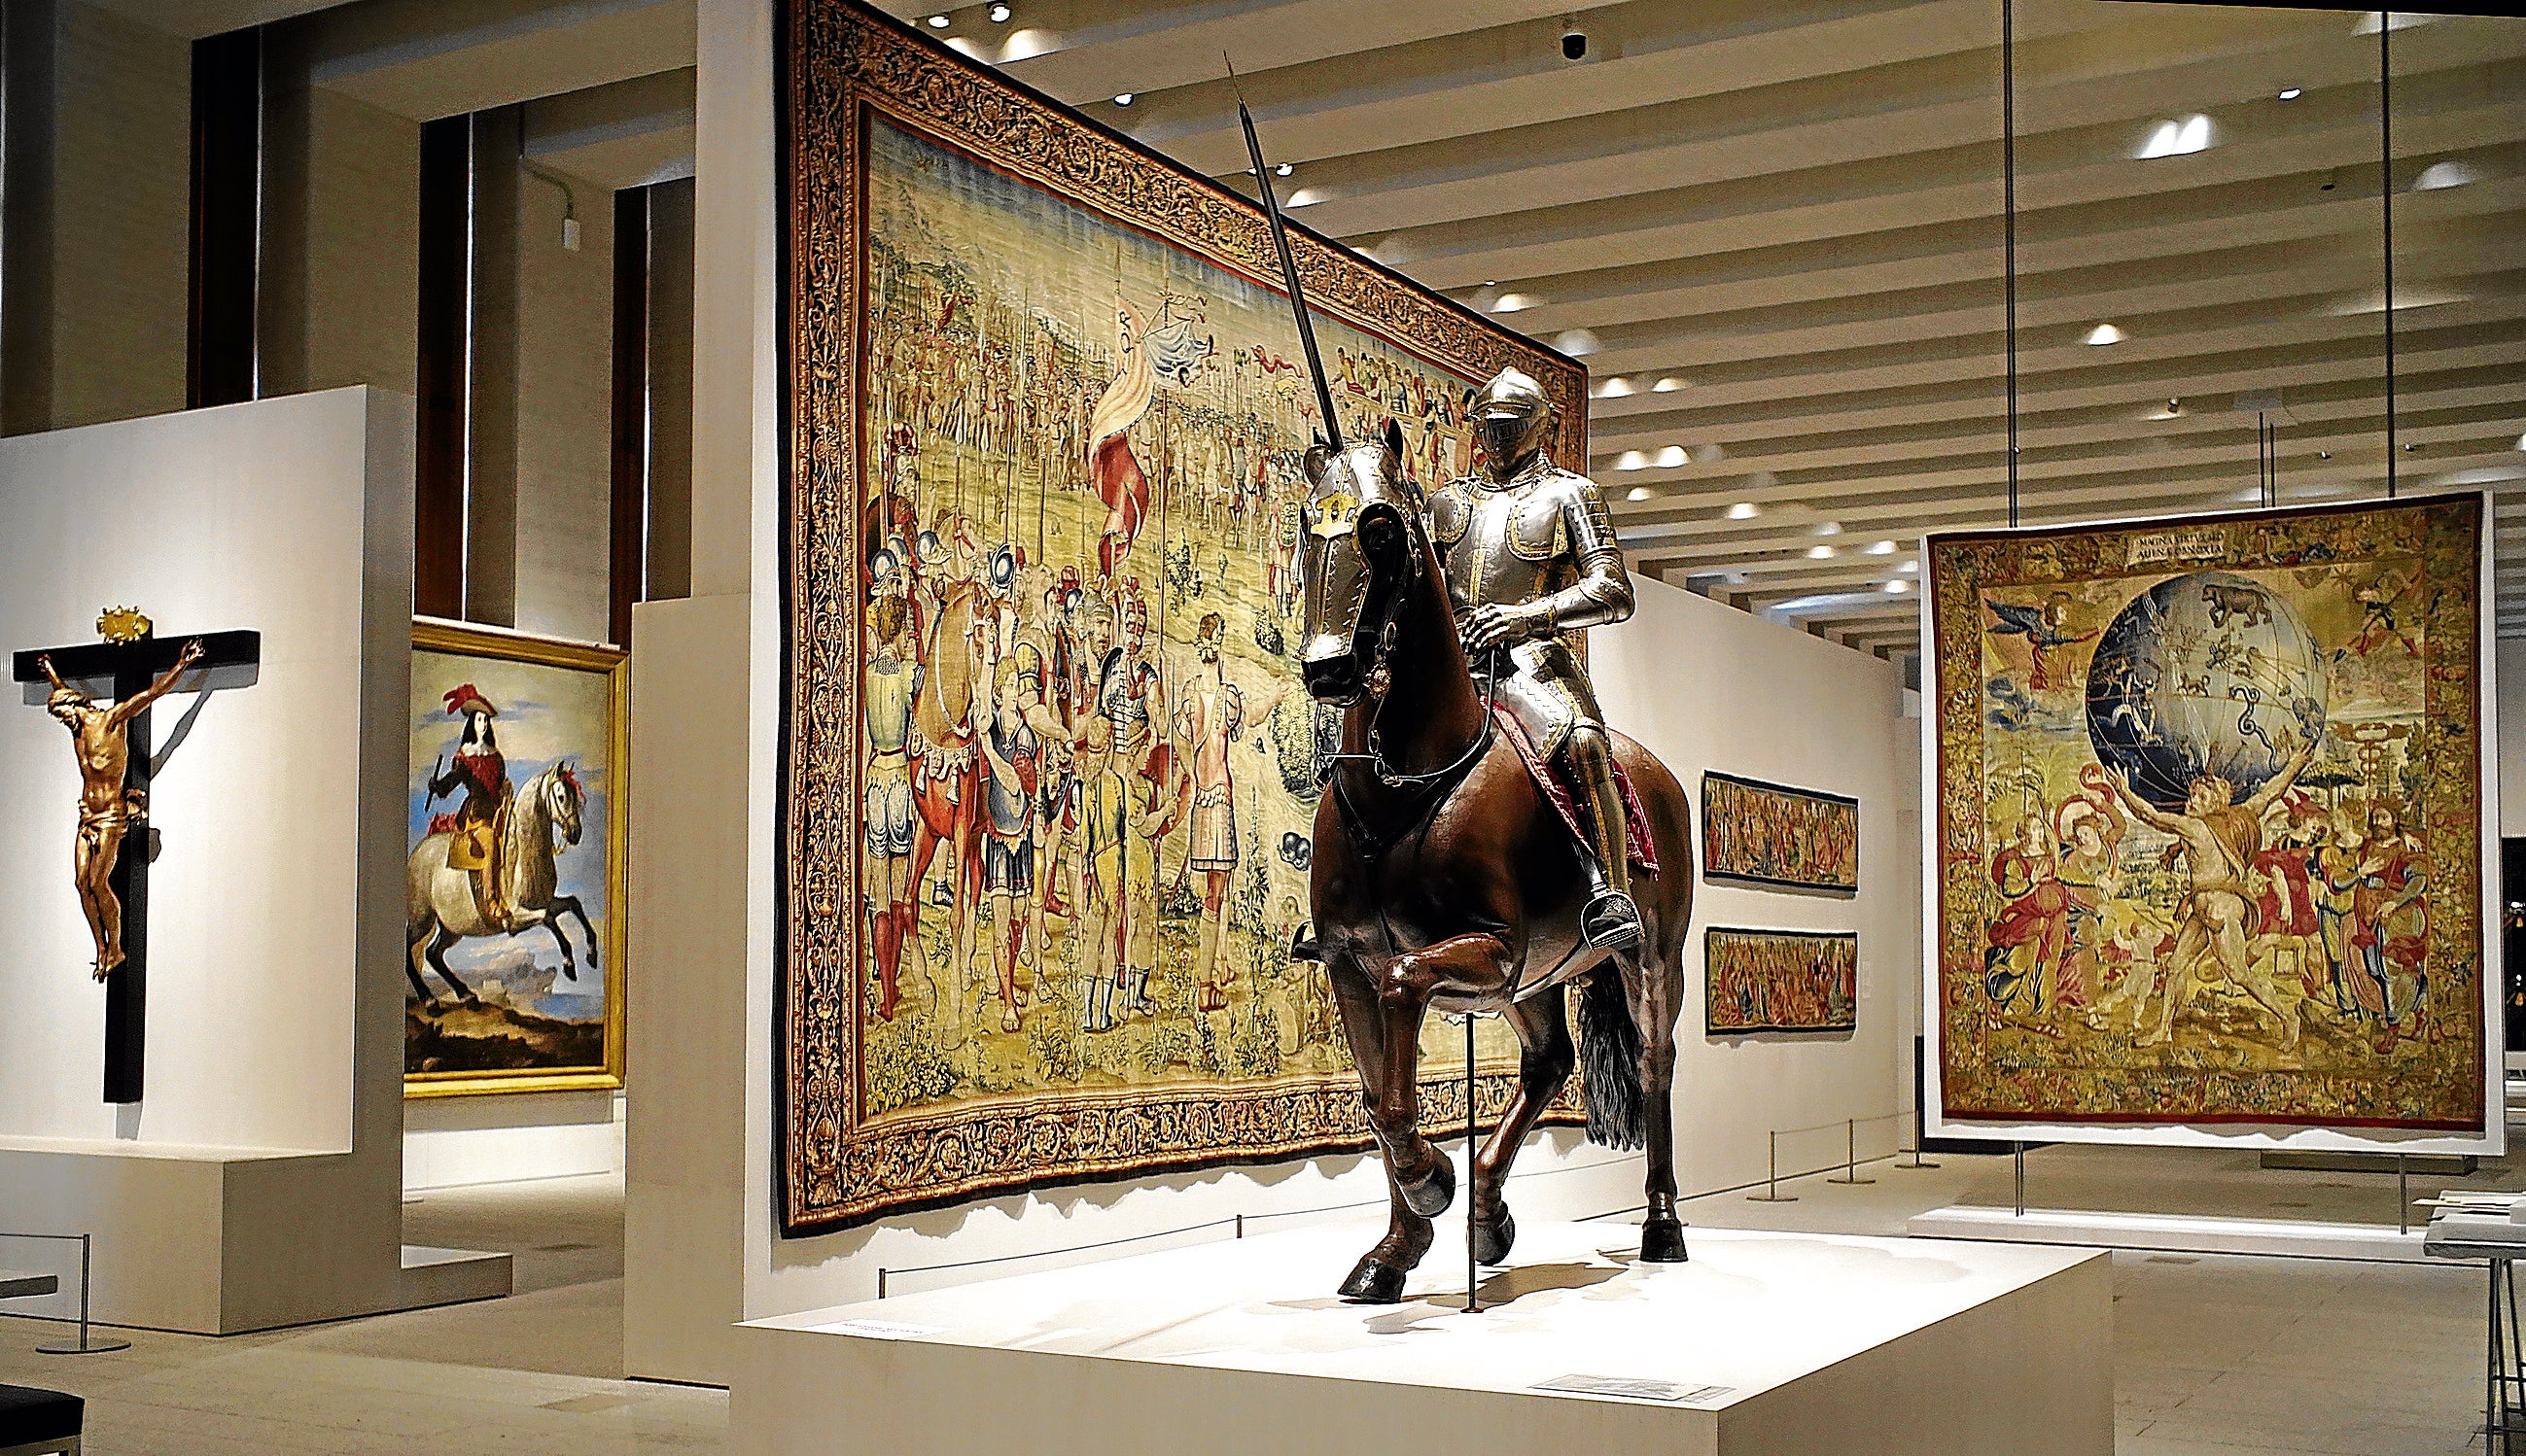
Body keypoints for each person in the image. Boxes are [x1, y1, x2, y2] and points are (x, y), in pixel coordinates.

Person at [1424, 367, 1641, 949]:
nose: (1498, 436)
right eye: (1490, 424)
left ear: (1541, 425)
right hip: (1454, 663)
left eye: (1512, 424)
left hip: (1532, 657)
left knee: (1585, 744)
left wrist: (1527, 616)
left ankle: (1611, 890)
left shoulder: (1571, 495)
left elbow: (1613, 590)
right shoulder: (1446, 503)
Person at [2103, 738, 2317, 1047]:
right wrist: (2294, 766)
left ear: (2215, 804)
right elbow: (2269, 793)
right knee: (2175, 966)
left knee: (2239, 974)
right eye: (2192, 794)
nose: (2191, 801)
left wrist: (2125, 792)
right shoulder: (2227, 818)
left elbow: (2151, 816)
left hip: (2222, 910)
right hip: (2204, 909)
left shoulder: (2197, 828)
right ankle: (2164, 1029)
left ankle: (2288, 1017)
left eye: (2200, 797)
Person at [39, 640, 204, 977]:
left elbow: (153, 693)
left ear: (74, 706)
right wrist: (51, 673)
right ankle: (100, 948)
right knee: (81, 883)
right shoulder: (78, 729)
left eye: (63, 716)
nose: (64, 723)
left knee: (99, 882)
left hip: (112, 815)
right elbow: (61, 691)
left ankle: (115, 947)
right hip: (87, 815)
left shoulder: (112, 721)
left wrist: (183, 664)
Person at [1176, 612, 1245, 1013]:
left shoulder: (1191, 693)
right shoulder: (1226, 695)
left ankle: (1218, 964)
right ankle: (1205, 984)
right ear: (1217, 645)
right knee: (1216, 892)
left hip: (1205, 796)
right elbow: (1244, 722)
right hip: (1218, 796)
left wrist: (1190, 775)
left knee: (1218, 887)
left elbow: (1182, 743)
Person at [864, 575, 923, 1021]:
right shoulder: (906, 675)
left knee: (880, 897)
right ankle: (891, 987)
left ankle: (886, 994)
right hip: (900, 780)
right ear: (898, 631)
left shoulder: (866, 676)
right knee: (900, 893)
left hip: (874, 783)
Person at [976, 659, 1039, 1034]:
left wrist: (988, 748)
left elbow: (1015, 784)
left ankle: (1008, 981)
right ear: (1000, 693)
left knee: (1017, 920)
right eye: (1012, 686)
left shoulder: (1026, 736)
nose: (1017, 693)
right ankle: (1009, 1003)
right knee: (1001, 924)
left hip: (1022, 835)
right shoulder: (991, 727)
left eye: (1019, 686)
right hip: (998, 838)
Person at [427, 681, 516, 926]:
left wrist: (506, 791)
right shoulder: (465, 756)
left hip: (500, 811)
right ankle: (492, 901)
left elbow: (501, 783)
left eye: (485, 720)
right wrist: (437, 786)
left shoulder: (495, 756)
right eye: (479, 720)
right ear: (471, 723)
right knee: (490, 843)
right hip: (477, 816)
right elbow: (451, 782)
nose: (483, 724)